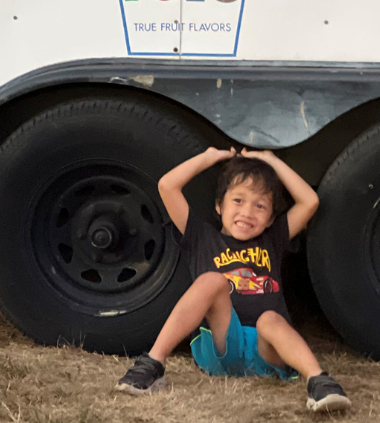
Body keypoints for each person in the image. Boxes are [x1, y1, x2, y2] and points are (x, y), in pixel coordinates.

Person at [114, 147, 351, 413]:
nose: (248, 212)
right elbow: (167, 186)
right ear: (219, 205)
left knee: (270, 320)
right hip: (221, 343)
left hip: (266, 352)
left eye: (260, 206)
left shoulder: (273, 240)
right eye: (238, 200)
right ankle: (152, 364)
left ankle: (319, 381)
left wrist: (271, 160)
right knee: (212, 281)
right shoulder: (201, 237)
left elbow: (309, 201)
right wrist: (209, 157)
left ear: (270, 219)